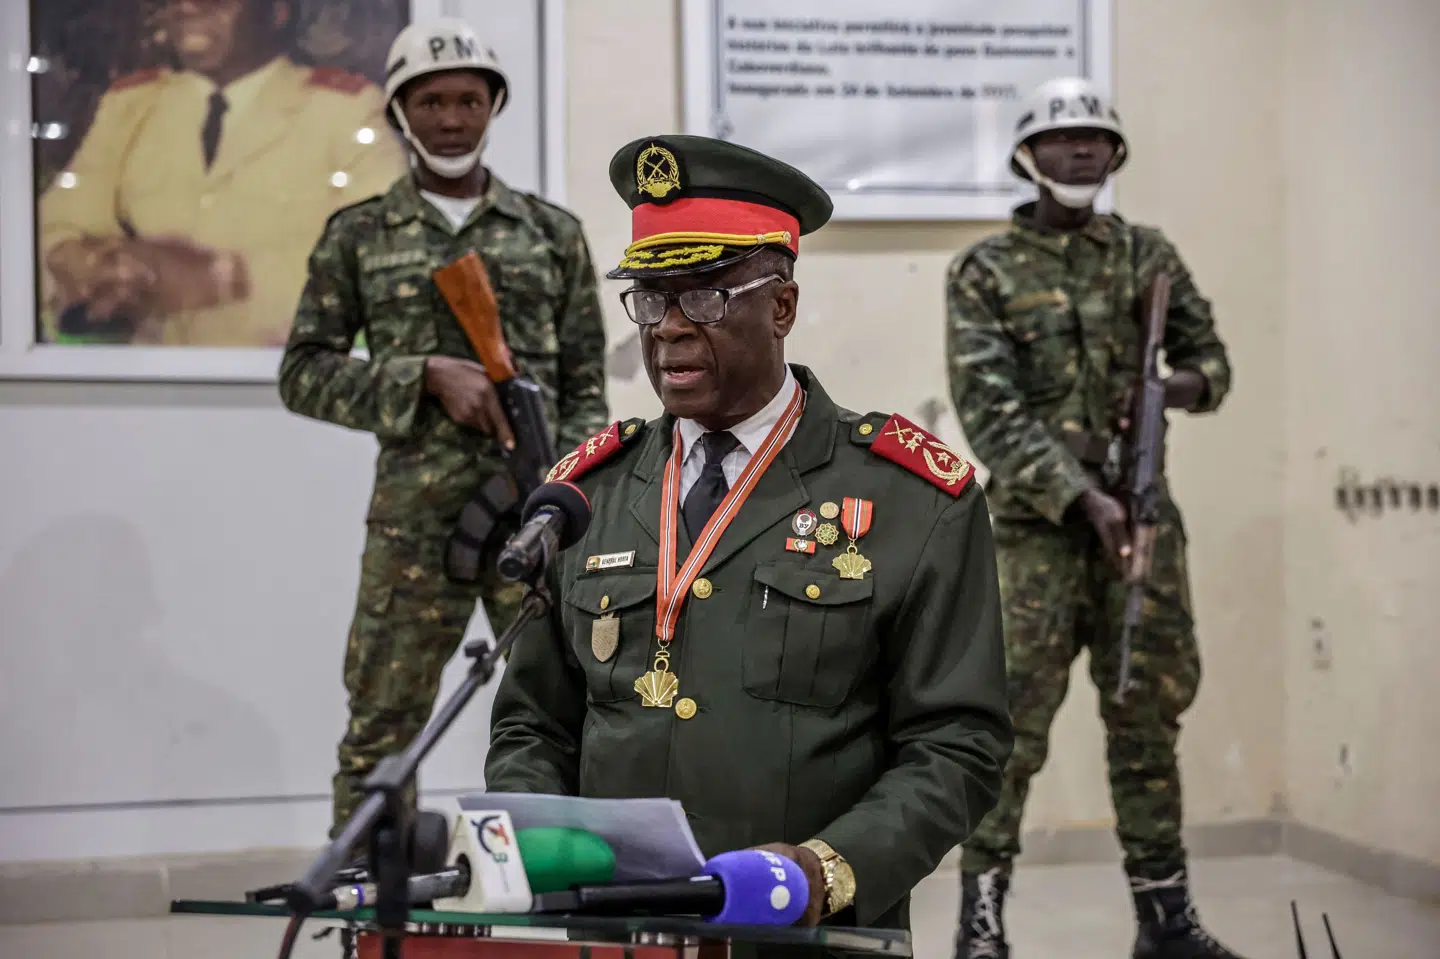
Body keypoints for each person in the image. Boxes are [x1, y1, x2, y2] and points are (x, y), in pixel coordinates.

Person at [484, 133, 1014, 954]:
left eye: (704, 295)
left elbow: (959, 744)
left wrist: (822, 868)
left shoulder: (913, 500)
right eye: (651, 298)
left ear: (783, 306)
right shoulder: (590, 493)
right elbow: (531, 726)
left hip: (810, 937)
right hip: (615, 936)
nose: (668, 330)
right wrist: (547, 854)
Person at [277, 17, 608, 840]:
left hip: (530, 515)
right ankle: (367, 899)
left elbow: (587, 386)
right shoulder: (357, 235)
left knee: (562, 713)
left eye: (468, 99)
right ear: (399, 113)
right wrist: (421, 375)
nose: (452, 118)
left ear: (493, 106)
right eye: (430, 101)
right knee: (383, 726)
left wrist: (570, 491)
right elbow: (303, 371)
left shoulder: (551, 233)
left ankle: (566, 886)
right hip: (414, 525)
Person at [945, 77, 1243, 959]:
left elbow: (1215, 364)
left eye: (1095, 138)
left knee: (1146, 719)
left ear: (1115, 154)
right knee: (1008, 730)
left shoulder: (1150, 257)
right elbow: (988, 410)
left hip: (1143, 525)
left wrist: (1170, 387)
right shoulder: (985, 270)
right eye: (1062, 138)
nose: (1080, 152)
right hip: (1036, 535)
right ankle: (981, 923)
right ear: (1028, 156)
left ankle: (1165, 921)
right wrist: (1081, 495)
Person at [37, 0, 406, 347]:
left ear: (276, 12)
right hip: (151, 380)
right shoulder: (132, 104)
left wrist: (224, 279)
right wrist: (75, 260)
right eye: (175, 0)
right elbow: (58, 221)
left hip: (277, 382)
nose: (187, 7)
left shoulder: (345, 109)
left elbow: (384, 257)